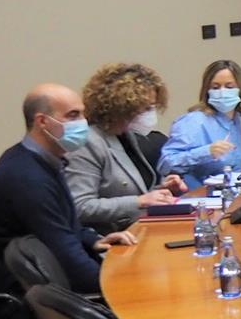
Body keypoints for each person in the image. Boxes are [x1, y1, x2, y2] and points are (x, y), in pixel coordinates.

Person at [0, 84, 138, 295]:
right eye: (73, 115)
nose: (83, 122)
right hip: (22, 293)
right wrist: (122, 287)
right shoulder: (27, 178)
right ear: (42, 121)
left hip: (47, 279)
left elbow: (65, 224)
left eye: (83, 114)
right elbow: (66, 257)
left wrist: (94, 240)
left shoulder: (41, 160)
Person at [66, 62, 187, 234]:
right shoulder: (89, 142)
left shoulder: (127, 135)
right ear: (122, 107)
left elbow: (133, 191)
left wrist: (163, 191)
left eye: (153, 107)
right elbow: (80, 206)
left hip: (140, 230)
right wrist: (140, 201)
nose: (151, 113)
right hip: (109, 238)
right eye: (146, 108)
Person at [159, 60, 241, 190]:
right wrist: (206, 152)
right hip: (198, 196)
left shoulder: (234, 119)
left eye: (229, 87)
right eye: (215, 87)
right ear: (207, 91)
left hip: (227, 193)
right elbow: (165, 164)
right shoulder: (194, 121)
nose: (222, 92)